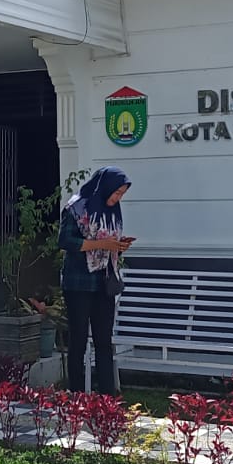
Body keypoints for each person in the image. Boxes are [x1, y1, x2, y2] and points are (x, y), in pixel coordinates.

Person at [58, 166, 133, 393]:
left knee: (103, 341)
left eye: (121, 194)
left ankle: (107, 400)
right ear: (105, 187)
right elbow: (66, 241)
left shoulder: (112, 211)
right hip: (78, 283)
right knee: (78, 340)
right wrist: (102, 244)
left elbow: (108, 245)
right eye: (116, 193)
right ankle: (77, 395)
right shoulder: (76, 207)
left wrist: (119, 247)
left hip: (103, 282)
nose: (117, 198)